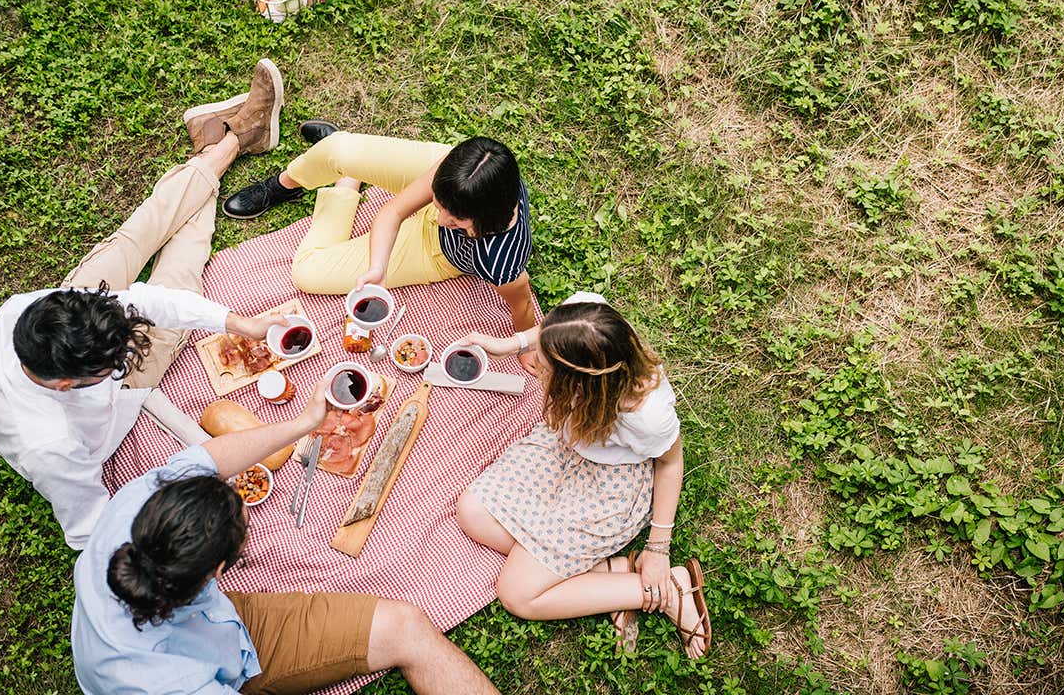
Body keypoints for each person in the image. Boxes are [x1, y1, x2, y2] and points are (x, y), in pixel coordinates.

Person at [0, 59, 289, 550]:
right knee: (184, 262)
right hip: (108, 409)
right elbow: (89, 530)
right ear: (67, 383)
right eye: (113, 360)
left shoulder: (28, 311)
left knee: (136, 234)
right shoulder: (53, 447)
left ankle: (227, 143)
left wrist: (237, 322)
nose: (132, 335)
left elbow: (143, 299)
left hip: (72, 344)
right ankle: (228, 139)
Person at [72, 378, 500, 695]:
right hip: (208, 668)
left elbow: (211, 456)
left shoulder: (136, 503)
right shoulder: (166, 685)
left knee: (405, 626)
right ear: (218, 571)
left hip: (213, 623)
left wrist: (303, 424)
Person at [454, 293, 711, 658]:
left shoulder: (645, 415)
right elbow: (551, 332)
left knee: (518, 594)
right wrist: (509, 344)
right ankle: (610, 571)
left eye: (545, 368)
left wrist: (658, 549)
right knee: (473, 512)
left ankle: (662, 589)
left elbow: (670, 464)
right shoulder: (589, 317)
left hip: (608, 485)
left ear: (580, 385)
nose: (536, 369)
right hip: (565, 450)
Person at [220, 124, 539, 372]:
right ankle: (285, 186)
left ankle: (346, 183)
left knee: (307, 272)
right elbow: (394, 211)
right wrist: (378, 266)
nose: (439, 219)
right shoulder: (467, 172)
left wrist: (524, 345)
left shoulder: (501, 260)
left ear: (485, 222)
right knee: (337, 149)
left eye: (455, 221)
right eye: (438, 206)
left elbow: (522, 304)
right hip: (458, 191)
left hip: (437, 253)